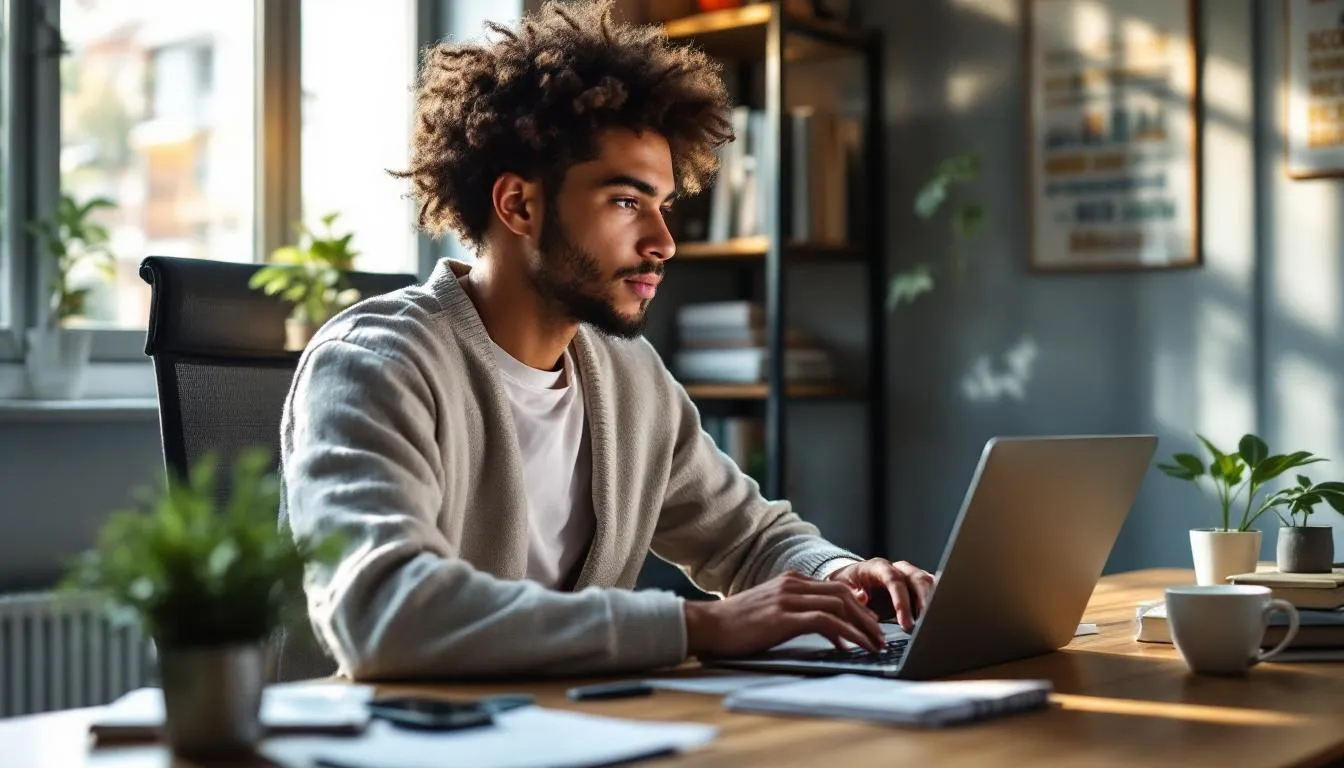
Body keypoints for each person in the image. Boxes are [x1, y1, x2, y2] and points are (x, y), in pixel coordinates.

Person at [279, 0, 934, 681]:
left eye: (663, 205)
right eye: (627, 202)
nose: (664, 242)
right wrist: (694, 625)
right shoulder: (374, 361)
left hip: (565, 731)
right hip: (377, 739)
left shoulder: (627, 376)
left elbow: (750, 538)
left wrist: (842, 574)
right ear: (519, 205)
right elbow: (385, 613)